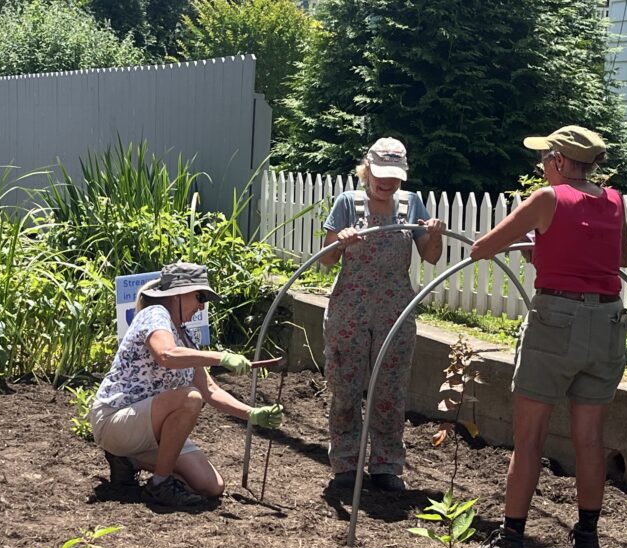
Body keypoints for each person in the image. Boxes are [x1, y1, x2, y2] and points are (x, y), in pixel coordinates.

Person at [469, 125, 627, 548]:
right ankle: (588, 537)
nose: (541, 166)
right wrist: (546, 247)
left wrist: (529, 242)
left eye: (544, 159)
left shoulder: (547, 198)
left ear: (560, 160)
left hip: (556, 322)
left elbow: (483, 248)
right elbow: (620, 260)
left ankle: (512, 538)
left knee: (530, 435)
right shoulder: (615, 201)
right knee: (589, 437)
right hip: (608, 323)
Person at [89, 262, 284, 508]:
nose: (202, 306)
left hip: (147, 432)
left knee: (211, 486)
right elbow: (166, 355)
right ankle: (160, 484)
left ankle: (128, 461)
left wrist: (252, 414)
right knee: (189, 398)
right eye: (200, 297)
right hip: (116, 421)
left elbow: (211, 390)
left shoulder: (185, 337)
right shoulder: (155, 314)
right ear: (179, 293)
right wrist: (220, 356)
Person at [321, 137, 446, 492]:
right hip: (350, 310)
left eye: (394, 176)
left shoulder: (411, 205)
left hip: (395, 310)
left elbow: (431, 256)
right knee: (345, 388)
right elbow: (326, 260)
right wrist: (340, 242)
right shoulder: (348, 203)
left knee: (390, 391)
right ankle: (345, 463)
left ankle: (387, 466)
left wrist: (434, 235)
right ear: (367, 170)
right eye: (380, 174)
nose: (386, 182)